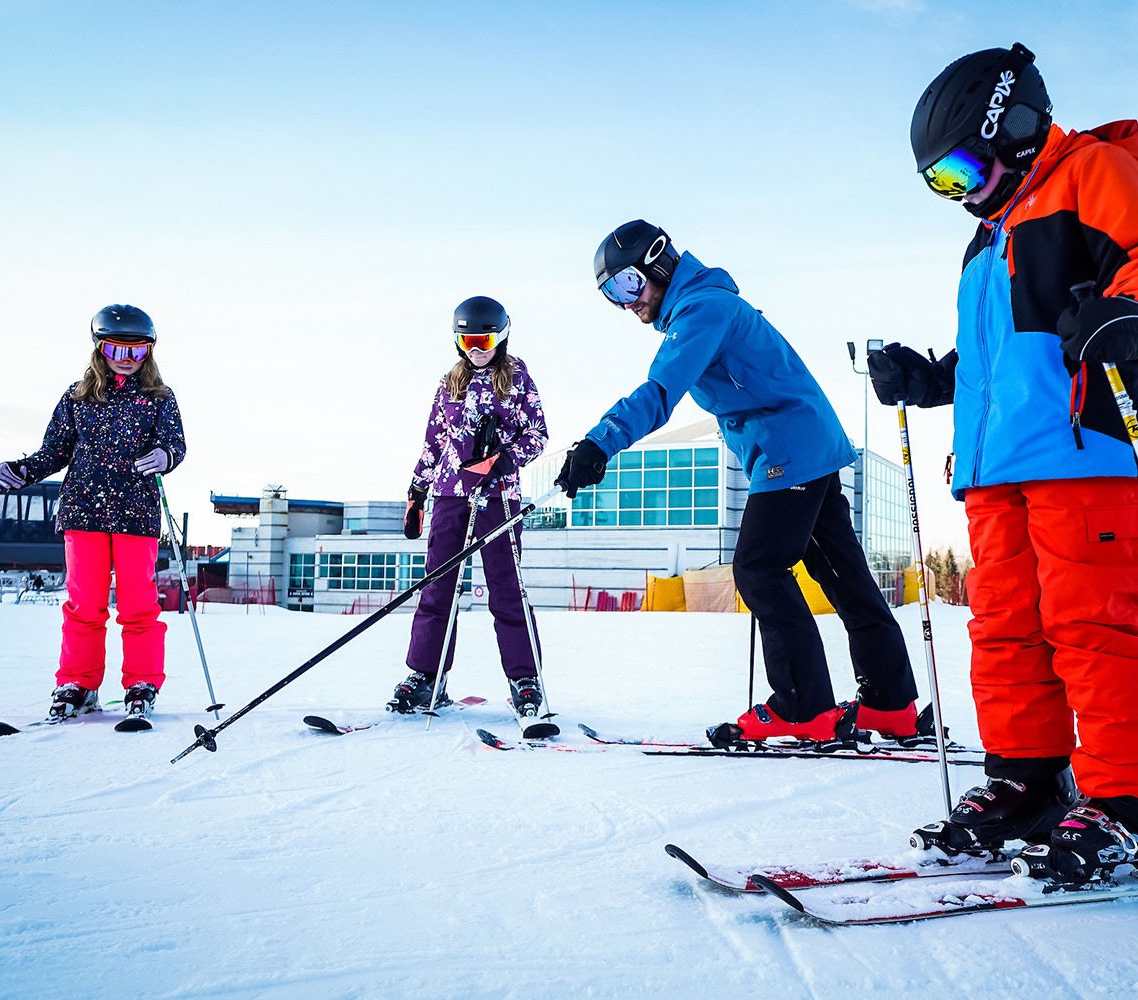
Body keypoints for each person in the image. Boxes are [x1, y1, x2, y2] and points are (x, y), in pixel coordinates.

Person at [871, 42, 1138, 882]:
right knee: (1006, 628)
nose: (959, 196)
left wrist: (1124, 312)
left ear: (1015, 128)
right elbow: (1001, 353)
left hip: (1081, 452)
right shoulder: (989, 235)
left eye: (961, 171)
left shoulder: (1092, 172)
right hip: (996, 471)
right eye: (940, 185)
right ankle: (1026, 779)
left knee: (1091, 625)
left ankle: (1127, 797)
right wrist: (935, 379)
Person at [557, 220, 921, 743]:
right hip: (806, 445)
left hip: (788, 451)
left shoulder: (702, 309)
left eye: (629, 285)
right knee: (842, 574)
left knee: (758, 568)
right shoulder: (708, 305)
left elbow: (660, 391)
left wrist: (599, 443)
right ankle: (889, 704)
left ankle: (803, 709)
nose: (625, 304)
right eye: (612, 295)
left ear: (659, 263)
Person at [0, 304, 186, 725]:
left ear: (149, 350)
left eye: (138, 349)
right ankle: (78, 684)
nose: (127, 357)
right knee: (84, 604)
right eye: (117, 347)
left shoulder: (159, 398)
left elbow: (176, 443)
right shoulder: (77, 397)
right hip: (84, 510)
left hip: (136, 513)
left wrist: (164, 455)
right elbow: (55, 451)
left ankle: (141, 683)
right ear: (100, 346)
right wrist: (21, 471)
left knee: (138, 604)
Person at [389, 296, 551, 722]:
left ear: (501, 336)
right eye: (467, 340)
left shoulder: (515, 377)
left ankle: (525, 680)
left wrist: (502, 460)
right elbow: (433, 440)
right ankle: (426, 676)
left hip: (498, 496)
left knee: (506, 587)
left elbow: (538, 433)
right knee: (437, 586)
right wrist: (417, 491)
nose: (476, 348)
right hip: (449, 494)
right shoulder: (449, 382)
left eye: (484, 338)